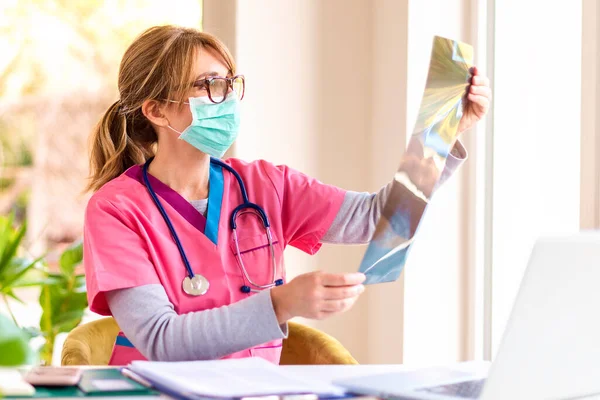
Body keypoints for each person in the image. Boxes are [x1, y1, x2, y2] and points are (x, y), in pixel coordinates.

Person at [83, 25, 491, 365]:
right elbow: (161, 340)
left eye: (229, 83)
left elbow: (374, 218)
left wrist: (443, 136)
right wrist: (281, 304)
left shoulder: (266, 186)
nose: (225, 99)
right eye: (209, 86)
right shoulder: (115, 210)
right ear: (155, 110)